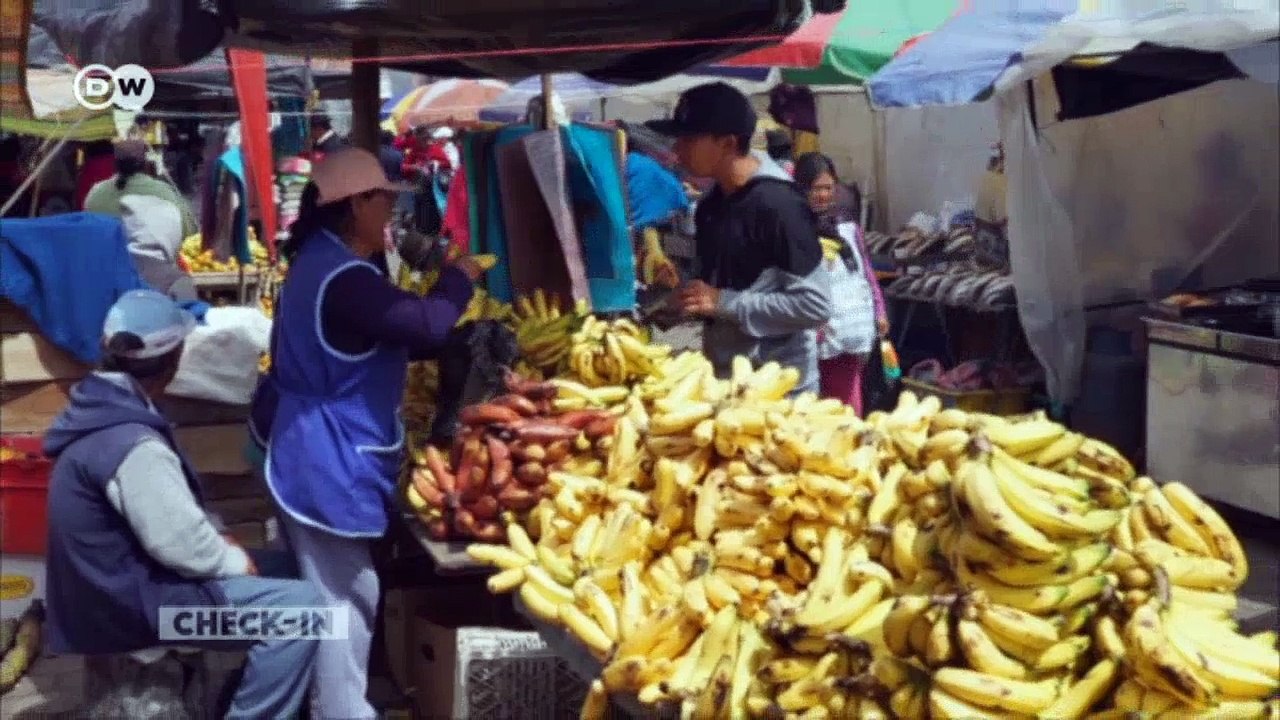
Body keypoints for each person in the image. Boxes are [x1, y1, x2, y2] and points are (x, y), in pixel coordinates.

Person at [249, 148, 487, 719]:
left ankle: (321, 701)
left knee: (331, 591)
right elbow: (425, 323)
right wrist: (459, 279)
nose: (389, 212)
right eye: (383, 199)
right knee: (344, 597)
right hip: (324, 452)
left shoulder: (321, 259)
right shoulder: (346, 280)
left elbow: (400, 332)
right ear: (355, 204)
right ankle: (341, 711)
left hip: (308, 443)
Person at [42, 289, 319, 719]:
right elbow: (183, 547)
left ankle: (245, 692)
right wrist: (230, 559)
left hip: (114, 592)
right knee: (304, 612)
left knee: (287, 569)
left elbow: (171, 510)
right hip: (134, 612)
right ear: (172, 363)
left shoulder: (103, 410)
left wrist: (221, 537)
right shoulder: (131, 443)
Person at [649, 82, 832, 395]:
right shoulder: (710, 205)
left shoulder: (779, 205)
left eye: (689, 138)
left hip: (780, 395)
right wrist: (679, 303)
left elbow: (815, 306)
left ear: (727, 144)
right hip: (726, 387)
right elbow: (716, 292)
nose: (677, 149)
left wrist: (723, 302)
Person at [794, 152, 888, 413]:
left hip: (849, 329)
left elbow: (865, 272)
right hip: (814, 335)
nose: (823, 195)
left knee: (847, 404)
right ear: (802, 188)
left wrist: (879, 310)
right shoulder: (793, 229)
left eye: (828, 188)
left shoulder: (846, 229)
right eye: (816, 189)